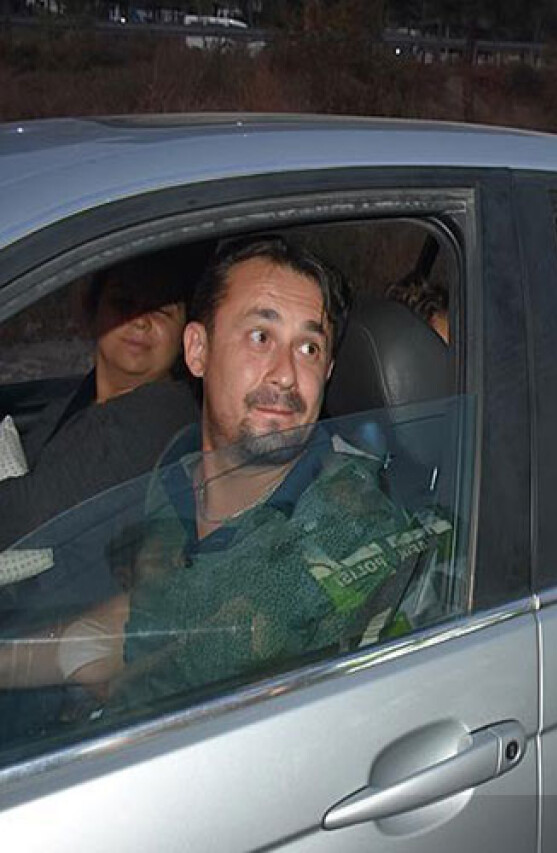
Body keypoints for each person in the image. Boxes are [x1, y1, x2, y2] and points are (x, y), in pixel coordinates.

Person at [0, 236, 441, 711]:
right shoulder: (181, 466)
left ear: (329, 370)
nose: (287, 374)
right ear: (197, 350)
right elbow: (150, 616)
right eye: (261, 337)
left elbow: (170, 681)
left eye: (309, 348)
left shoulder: (342, 527)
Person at [0, 246, 205, 551]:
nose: (140, 321)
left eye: (161, 311)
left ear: (186, 337)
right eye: (123, 302)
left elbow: (21, 515)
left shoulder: (158, 417)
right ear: (91, 310)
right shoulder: (85, 396)